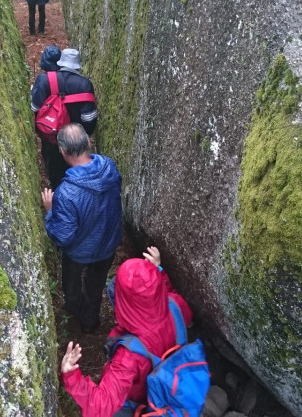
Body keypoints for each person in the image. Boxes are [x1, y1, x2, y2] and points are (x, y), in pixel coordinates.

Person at [60, 247, 193, 417]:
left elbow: (101, 406)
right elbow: (172, 300)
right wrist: (158, 271)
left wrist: (71, 375)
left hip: (140, 399)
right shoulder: (177, 305)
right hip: (172, 379)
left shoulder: (129, 355)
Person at [42, 123, 121, 334]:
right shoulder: (110, 167)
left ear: (62, 151)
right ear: (88, 142)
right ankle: (90, 322)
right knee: (96, 284)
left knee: (72, 286)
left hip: (79, 253)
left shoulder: (66, 193)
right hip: (108, 244)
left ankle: (74, 310)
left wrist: (51, 211)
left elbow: (63, 236)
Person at [31, 48, 97, 189]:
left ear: (60, 63)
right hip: (74, 139)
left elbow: (35, 108)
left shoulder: (45, 79)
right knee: (73, 170)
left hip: (50, 135)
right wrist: (81, 136)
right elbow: (89, 118)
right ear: (78, 66)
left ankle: (55, 192)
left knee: (53, 167)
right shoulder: (85, 84)